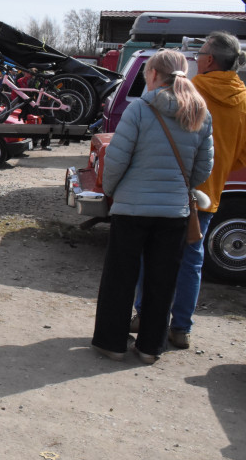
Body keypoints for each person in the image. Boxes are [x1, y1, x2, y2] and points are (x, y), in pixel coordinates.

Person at [92, 49, 213, 364]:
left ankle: (113, 343)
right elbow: (203, 169)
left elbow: (116, 159)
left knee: (120, 277)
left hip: (132, 208)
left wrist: (113, 190)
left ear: (154, 75)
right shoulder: (201, 113)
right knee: (163, 281)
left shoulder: (140, 109)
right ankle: (150, 348)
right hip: (174, 213)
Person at [131, 33, 246, 349]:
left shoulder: (191, 92)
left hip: (172, 189)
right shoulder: (244, 99)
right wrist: (217, 170)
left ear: (210, 60)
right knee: (192, 261)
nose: (196, 57)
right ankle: (181, 328)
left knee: (153, 255)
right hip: (208, 194)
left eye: (201, 52)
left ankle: (145, 316)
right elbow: (243, 154)